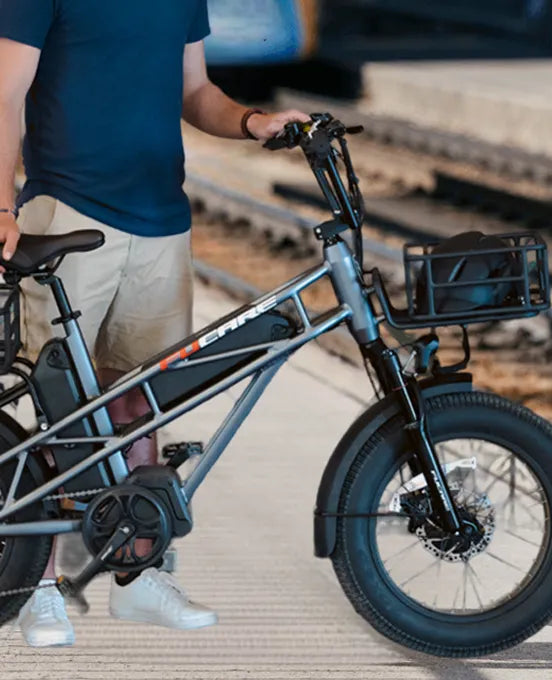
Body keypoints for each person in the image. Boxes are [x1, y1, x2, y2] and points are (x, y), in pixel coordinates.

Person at [0, 0, 308, 647]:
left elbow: (196, 93)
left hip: (162, 219)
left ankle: (136, 576)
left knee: (140, 404)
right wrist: (1, 206)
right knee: (70, 413)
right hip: (69, 215)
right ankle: (39, 590)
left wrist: (253, 122)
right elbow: (4, 93)